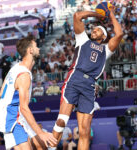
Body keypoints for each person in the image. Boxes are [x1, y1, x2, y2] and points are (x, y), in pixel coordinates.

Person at [51, 8, 123, 150]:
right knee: (61, 121)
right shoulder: (83, 39)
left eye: (98, 30)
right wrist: (98, 15)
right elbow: (77, 16)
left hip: (89, 84)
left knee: (84, 131)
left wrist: (111, 14)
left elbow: (119, 33)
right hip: (75, 78)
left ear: (104, 36)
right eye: (94, 29)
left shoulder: (106, 49)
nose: (94, 30)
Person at [0, 36, 57, 150]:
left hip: (18, 115)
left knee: (42, 145)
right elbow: (24, 108)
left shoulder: (15, 68)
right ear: (30, 50)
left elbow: (1, 93)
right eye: (36, 46)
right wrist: (41, 133)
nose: (39, 48)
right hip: (13, 119)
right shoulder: (24, 75)